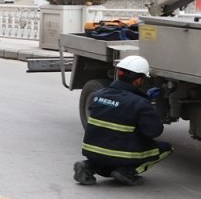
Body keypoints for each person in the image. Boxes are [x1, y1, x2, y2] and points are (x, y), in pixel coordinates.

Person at [73, 55, 171, 187]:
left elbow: (117, 108)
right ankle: (127, 172)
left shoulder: (98, 95)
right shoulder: (140, 104)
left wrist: (143, 100)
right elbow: (154, 131)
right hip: (120, 157)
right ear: (137, 81)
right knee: (166, 148)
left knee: (106, 158)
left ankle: (88, 166)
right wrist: (150, 107)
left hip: (92, 152)